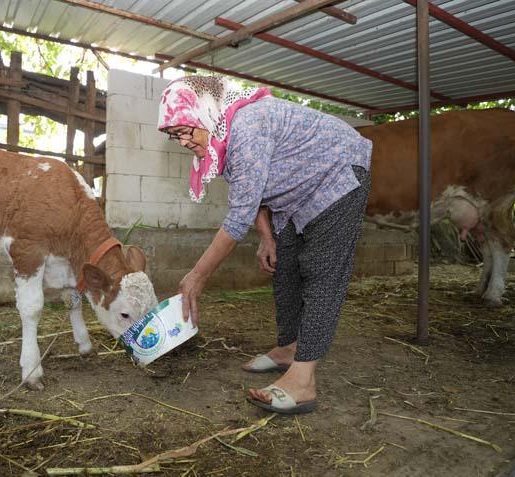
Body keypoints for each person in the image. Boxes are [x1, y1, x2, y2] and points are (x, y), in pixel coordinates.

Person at [157, 75, 372, 414]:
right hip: (297, 193)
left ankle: (304, 380)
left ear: (205, 114)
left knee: (321, 270)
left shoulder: (248, 126)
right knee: (284, 265)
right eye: (174, 135)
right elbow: (251, 190)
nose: (182, 141)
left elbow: (238, 215)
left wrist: (197, 275)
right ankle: (289, 348)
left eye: (184, 130)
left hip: (338, 171)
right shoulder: (222, 136)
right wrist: (267, 237)